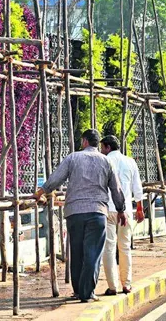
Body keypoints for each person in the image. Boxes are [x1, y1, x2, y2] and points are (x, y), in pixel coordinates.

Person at [33, 129, 126, 303]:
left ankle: (77, 291)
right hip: (97, 212)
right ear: (97, 144)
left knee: (76, 252)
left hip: (74, 213)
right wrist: (121, 210)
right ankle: (87, 292)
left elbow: (56, 178)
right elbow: (116, 189)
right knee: (93, 253)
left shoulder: (73, 158)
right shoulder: (106, 162)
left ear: (84, 141)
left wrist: (41, 191)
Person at [100, 135, 145, 296]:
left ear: (107, 147)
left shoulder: (103, 161)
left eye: (102, 148)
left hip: (107, 210)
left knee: (109, 248)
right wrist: (139, 208)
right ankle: (126, 284)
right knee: (125, 247)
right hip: (125, 211)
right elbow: (137, 187)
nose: (101, 151)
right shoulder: (130, 162)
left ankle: (112, 286)